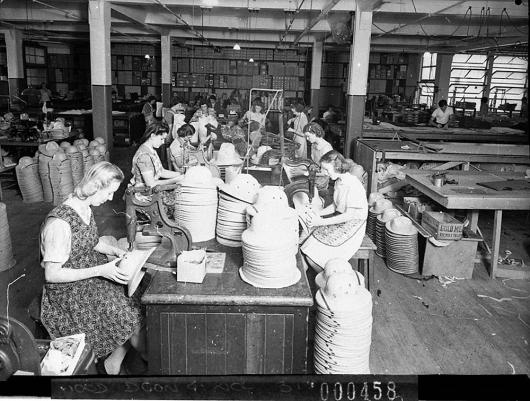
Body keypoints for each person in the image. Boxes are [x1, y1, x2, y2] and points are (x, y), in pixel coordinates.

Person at [40, 161, 146, 375]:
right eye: (109, 193)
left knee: (138, 294)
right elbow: (51, 274)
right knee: (127, 314)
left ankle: (114, 362)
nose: (109, 199)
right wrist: (101, 271)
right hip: (68, 290)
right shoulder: (59, 224)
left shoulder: (84, 208)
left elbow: (91, 241)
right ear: (95, 187)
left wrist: (114, 251)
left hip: (91, 271)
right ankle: (144, 357)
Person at [299, 150, 368, 273]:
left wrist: (319, 222)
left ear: (337, 167)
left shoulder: (352, 185)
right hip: (343, 219)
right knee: (306, 246)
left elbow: (349, 216)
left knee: (312, 255)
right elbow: (335, 206)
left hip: (353, 226)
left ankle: (330, 278)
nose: (324, 173)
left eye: (326, 169)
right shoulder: (339, 182)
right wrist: (317, 214)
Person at [130, 122, 183, 188]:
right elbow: (151, 184)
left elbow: (161, 172)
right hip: (142, 193)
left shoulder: (151, 150)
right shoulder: (144, 156)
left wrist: (181, 174)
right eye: (161, 139)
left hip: (150, 190)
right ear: (152, 136)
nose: (163, 142)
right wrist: (175, 180)